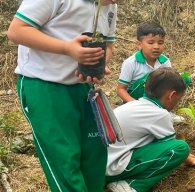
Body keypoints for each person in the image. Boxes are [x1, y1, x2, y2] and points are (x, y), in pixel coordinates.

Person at [7, 0, 119, 191]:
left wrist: (98, 65)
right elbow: (17, 30)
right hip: (45, 87)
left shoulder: (110, 6)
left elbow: (108, 45)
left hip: (84, 89)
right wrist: (67, 48)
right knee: (64, 160)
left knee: (94, 157)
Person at [106, 68, 195, 192]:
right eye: (179, 99)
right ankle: (130, 185)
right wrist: (190, 159)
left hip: (98, 165)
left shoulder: (131, 105)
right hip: (113, 169)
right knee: (181, 148)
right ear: (171, 96)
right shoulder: (160, 114)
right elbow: (171, 147)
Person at [116, 21, 188, 122]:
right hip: (136, 100)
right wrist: (134, 104)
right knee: (150, 79)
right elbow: (121, 90)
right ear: (139, 44)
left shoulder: (164, 61)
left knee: (180, 79)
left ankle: (163, 112)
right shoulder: (131, 63)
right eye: (151, 42)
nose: (156, 47)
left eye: (160, 43)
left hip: (156, 99)